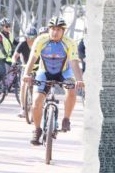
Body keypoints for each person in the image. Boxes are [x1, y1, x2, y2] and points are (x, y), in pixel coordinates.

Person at [22, 16, 84, 145]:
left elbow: (74, 63)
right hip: (44, 73)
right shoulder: (40, 40)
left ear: (63, 31)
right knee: (37, 101)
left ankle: (66, 119)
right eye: (53, 29)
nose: (55, 32)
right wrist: (26, 75)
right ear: (49, 29)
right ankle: (37, 129)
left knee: (71, 90)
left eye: (58, 29)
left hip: (64, 73)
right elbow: (32, 59)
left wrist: (79, 80)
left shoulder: (70, 42)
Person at [11, 26, 39, 117]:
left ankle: (38, 107)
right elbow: (15, 56)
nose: (31, 39)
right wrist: (14, 63)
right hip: (26, 67)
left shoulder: (39, 44)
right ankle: (23, 108)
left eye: (33, 37)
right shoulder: (22, 44)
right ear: (26, 37)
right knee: (23, 86)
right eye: (29, 37)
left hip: (38, 68)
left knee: (39, 88)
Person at [0, 17, 19, 94]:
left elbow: (15, 43)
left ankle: (11, 85)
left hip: (7, 57)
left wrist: (22, 46)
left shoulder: (10, 34)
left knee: (15, 67)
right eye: (6, 26)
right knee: (2, 71)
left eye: (9, 26)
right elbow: (0, 46)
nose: (8, 28)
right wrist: (6, 54)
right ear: (2, 27)